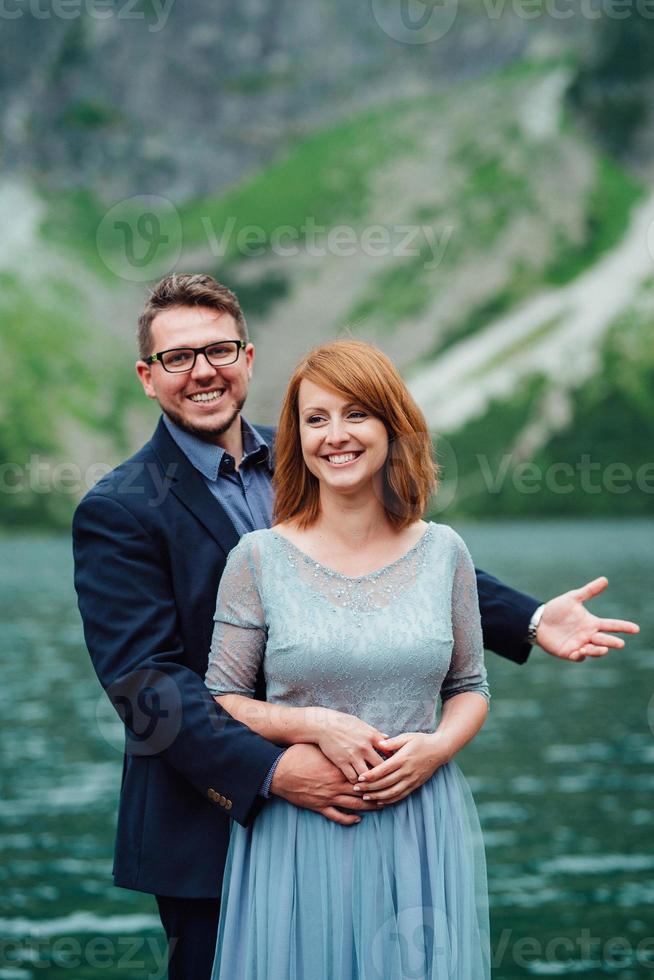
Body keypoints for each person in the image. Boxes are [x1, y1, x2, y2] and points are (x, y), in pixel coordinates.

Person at [72, 274, 639, 980]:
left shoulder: (313, 441)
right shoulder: (121, 508)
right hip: (213, 824)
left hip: (383, 813)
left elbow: (395, 558)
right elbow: (144, 686)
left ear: (248, 359)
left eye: (218, 350)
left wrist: (525, 617)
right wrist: (276, 772)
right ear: (148, 377)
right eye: (178, 358)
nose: (203, 372)